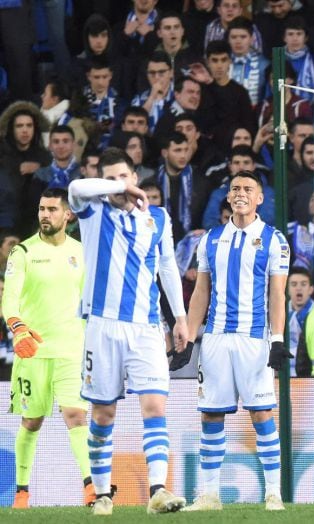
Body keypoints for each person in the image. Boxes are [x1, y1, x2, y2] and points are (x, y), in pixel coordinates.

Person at [67, 147, 189, 515]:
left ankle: (158, 491)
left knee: (154, 406)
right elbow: (75, 186)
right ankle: (102, 494)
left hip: (147, 327)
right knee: (103, 415)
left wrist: (180, 318)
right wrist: (111, 187)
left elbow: (167, 267)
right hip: (102, 326)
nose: (120, 184)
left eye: (125, 177)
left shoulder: (159, 219)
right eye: (112, 179)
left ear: (136, 177)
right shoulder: (93, 212)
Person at [182, 170, 290, 511]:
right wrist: (187, 335)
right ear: (228, 198)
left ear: (260, 198)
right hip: (215, 339)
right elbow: (201, 291)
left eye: (248, 189)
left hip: (253, 339)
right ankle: (209, 495)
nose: (240, 193)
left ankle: (274, 492)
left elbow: (278, 294)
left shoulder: (274, 241)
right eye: (235, 189)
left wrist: (277, 339)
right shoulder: (211, 239)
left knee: (261, 414)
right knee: (211, 416)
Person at [3, 189, 93, 508]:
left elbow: (89, 303)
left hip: (72, 349)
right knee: (31, 421)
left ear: (67, 215)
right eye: (42, 209)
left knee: (75, 415)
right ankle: (22, 491)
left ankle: (90, 488)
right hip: (33, 351)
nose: (45, 215)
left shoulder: (82, 252)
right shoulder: (23, 252)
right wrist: (18, 327)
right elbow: (9, 298)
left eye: (52, 209)